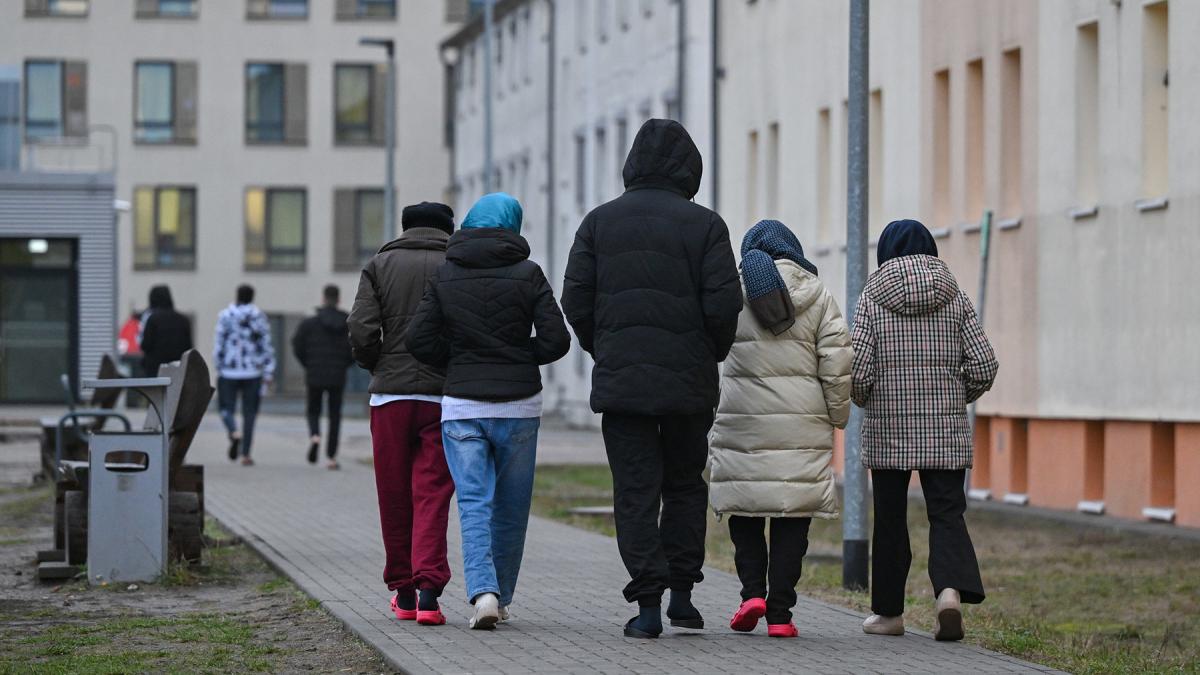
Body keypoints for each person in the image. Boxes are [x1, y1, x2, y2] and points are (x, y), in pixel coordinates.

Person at [561, 119, 743, 639]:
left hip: (624, 387)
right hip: (688, 385)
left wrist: (608, 348)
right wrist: (709, 353)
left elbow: (576, 300)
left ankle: (647, 607)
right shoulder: (707, 226)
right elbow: (724, 303)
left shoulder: (598, 223)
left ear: (632, 163)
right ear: (690, 168)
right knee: (685, 485)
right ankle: (683, 596)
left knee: (635, 491)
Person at [407, 193, 570, 630]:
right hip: (519, 406)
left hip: (462, 405)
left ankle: (484, 593)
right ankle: (503, 595)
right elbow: (557, 341)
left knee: (474, 504)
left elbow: (418, 340)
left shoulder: (446, 274)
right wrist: (519, 355)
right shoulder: (529, 273)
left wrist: (459, 360)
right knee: (511, 509)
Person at [851, 219, 998, 641]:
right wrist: (956, 396)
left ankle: (889, 614)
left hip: (889, 429)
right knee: (947, 513)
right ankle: (948, 594)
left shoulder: (872, 297)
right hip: (945, 428)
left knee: (891, 520)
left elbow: (857, 371)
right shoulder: (955, 296)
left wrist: (869, 400)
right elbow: (985, 364)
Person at [708, 220, 851, 638]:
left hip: (742, 421)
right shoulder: (819, 295)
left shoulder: (733, 293)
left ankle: (751, 593)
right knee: (793, 517)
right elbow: (838, 362)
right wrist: (838, 418)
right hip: (802, 425)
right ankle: (781, 614)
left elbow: (709, 346)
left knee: (745, 507)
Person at [348, 201, 458, 627]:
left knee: (393, 496)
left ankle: (405, 594)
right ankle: (430, 594)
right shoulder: (457, 263)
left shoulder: (379, 264)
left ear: (405, 227)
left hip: (389, 397)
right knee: (432, 495)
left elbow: (360, 327)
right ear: (449, 228)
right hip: (442, 397)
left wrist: (376, 363)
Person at [292, 284, 354, 469]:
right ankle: (331, 456)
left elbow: (297, 346)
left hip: (314, 374)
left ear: (323, 299)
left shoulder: (309, 324)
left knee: (313, 410)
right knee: (335, 415)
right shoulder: (347, 323)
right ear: (339, 299)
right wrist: (344, 364)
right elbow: (356, 347)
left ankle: (315, 435)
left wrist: (308, 364)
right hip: (337, 375)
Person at [214, 284, 275, 466]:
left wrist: (218, 365)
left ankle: (233, 431)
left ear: (237, 296)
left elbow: (219, 343)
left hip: (228, 370)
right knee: (250, 413)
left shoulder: (225, 316)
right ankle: (246, 454)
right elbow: (266, 344)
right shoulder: (258, 317)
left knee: (226, 407)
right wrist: (269, 369)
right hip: (253, 371)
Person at [140, 285, 193, 376]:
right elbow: (188, 347)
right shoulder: (183, 320)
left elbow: (145, 344)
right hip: (178, 370)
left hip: (155, 371)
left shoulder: (153, 319)